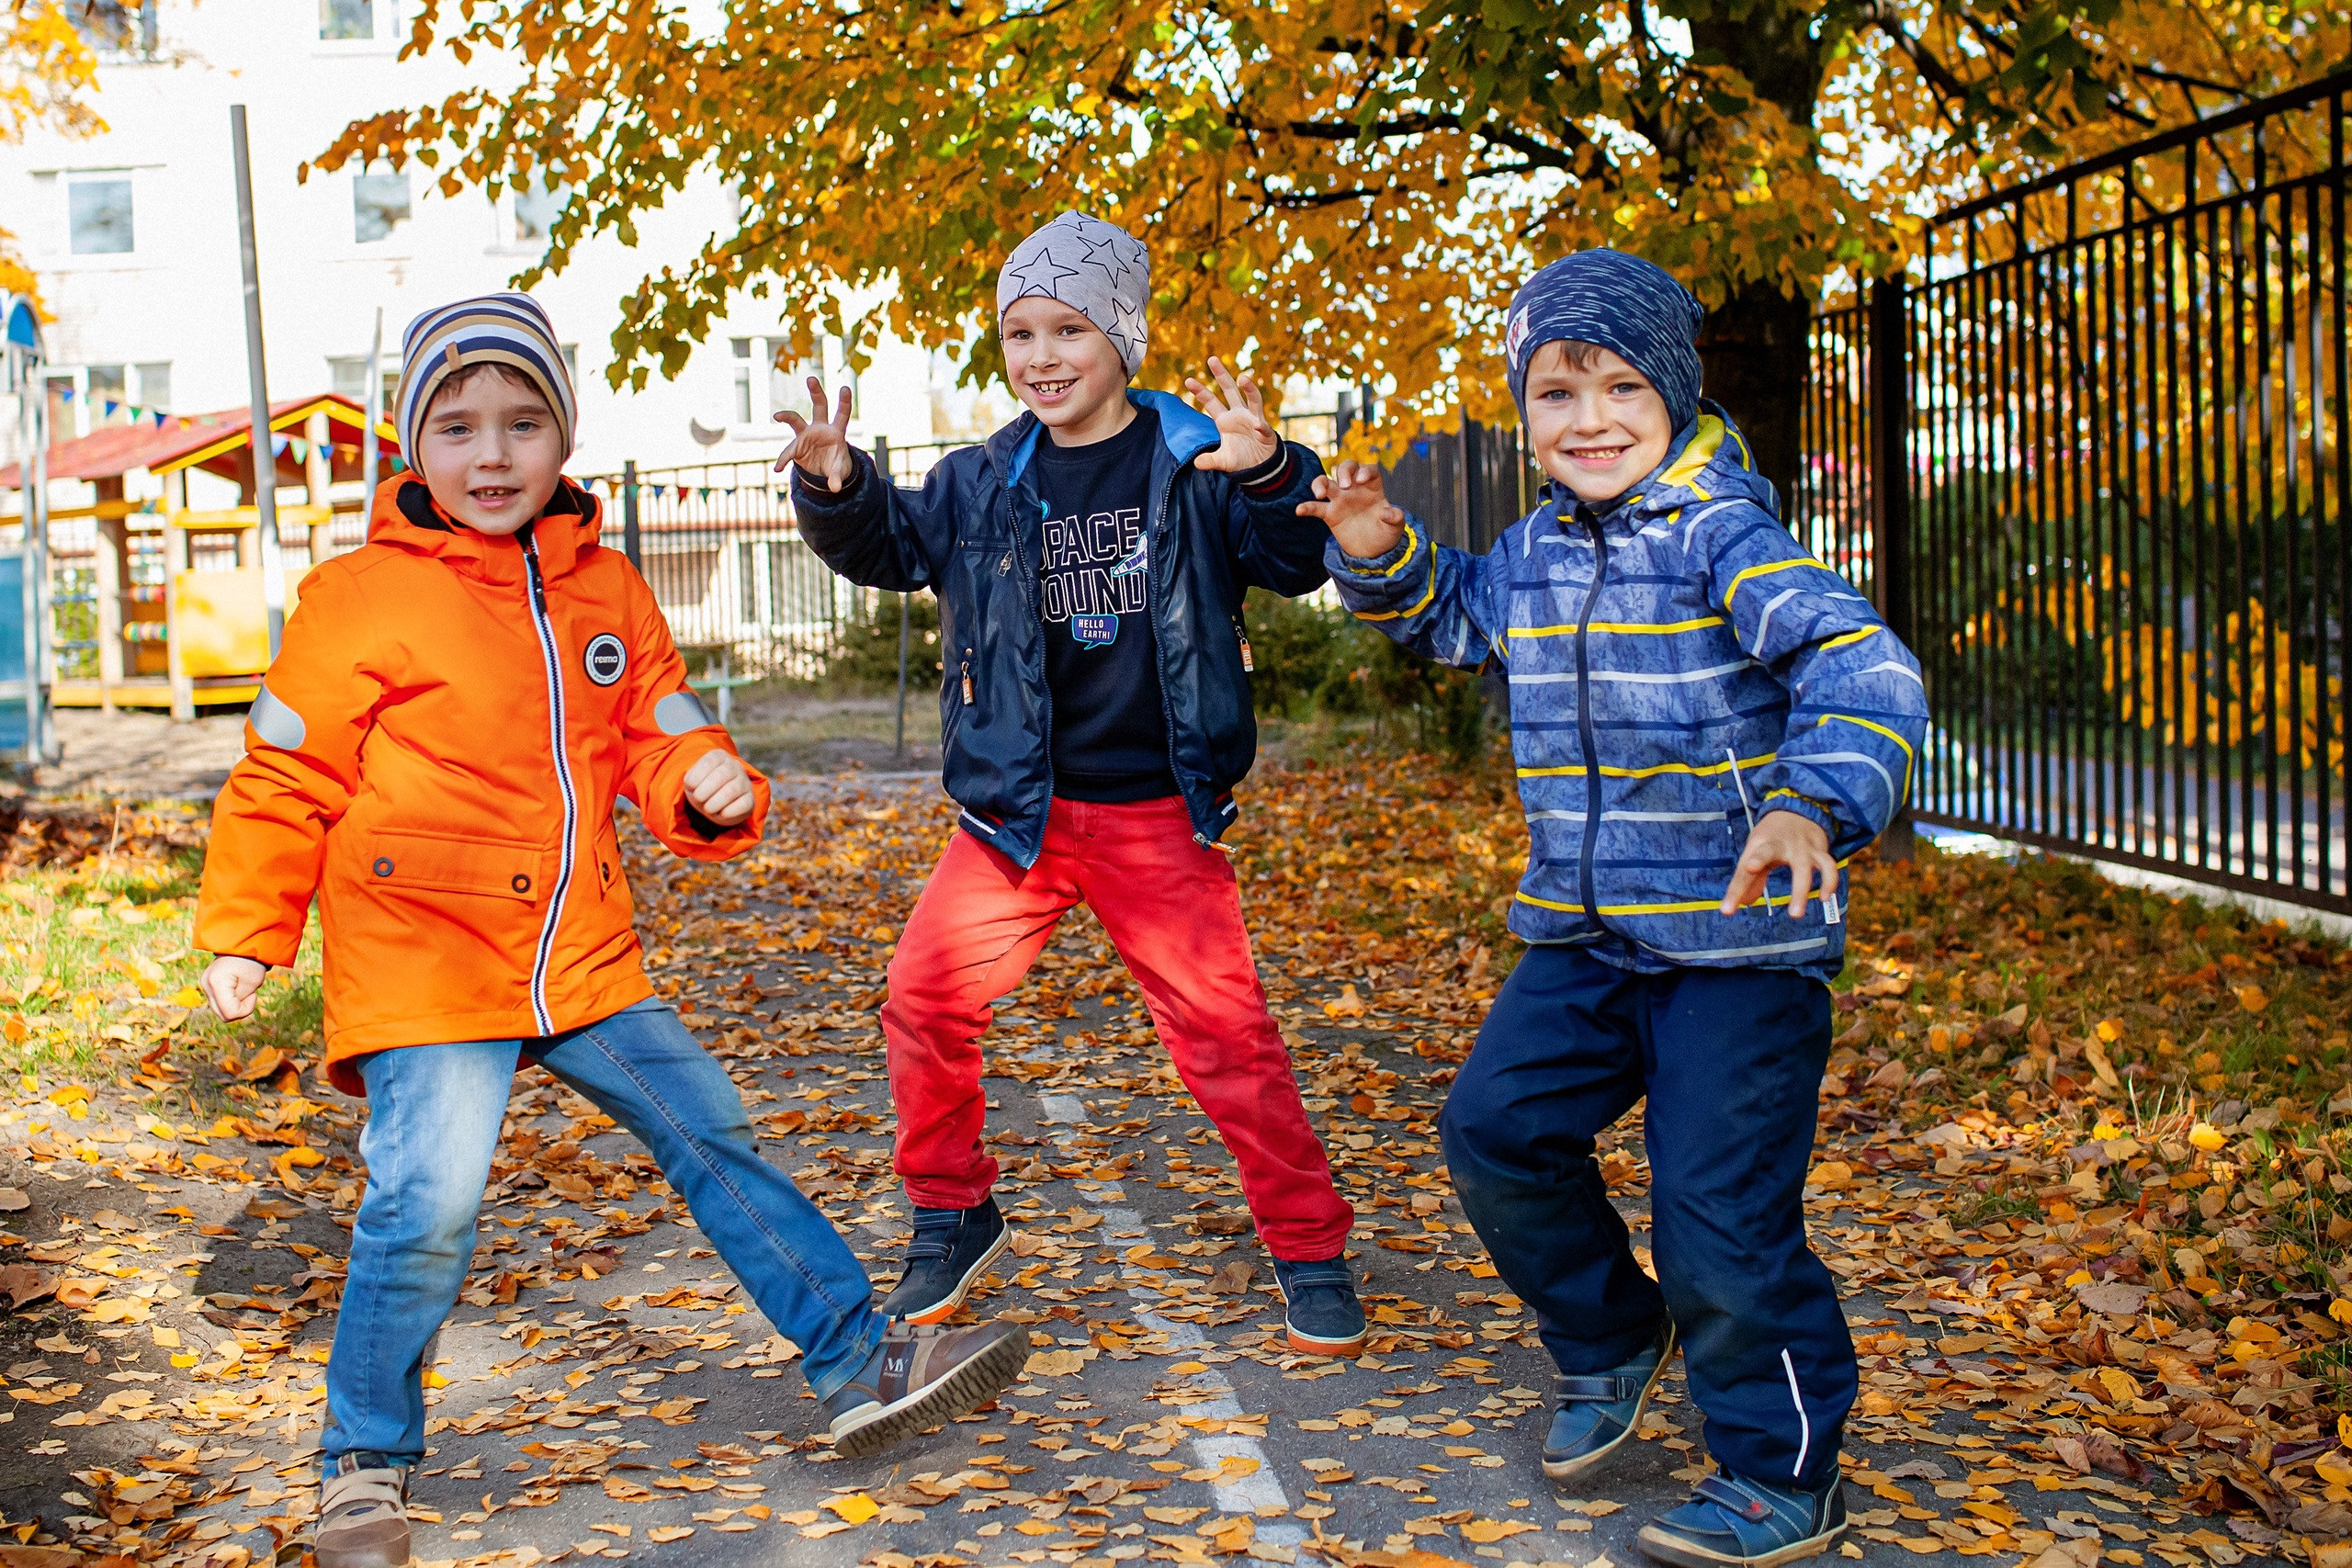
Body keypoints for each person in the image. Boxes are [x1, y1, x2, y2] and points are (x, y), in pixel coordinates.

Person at [193, 294, 1027, 1568]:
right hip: (426, 959)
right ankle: (364, 1464)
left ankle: (862, 1359)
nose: (492, 455)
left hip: (580, 957)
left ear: (561, 436)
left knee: (713, 1131)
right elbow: (284, 774)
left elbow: (656, 720)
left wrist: (706, 775)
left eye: (524, 424)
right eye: (458, 425)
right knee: (425, 1202)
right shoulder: (356, 598)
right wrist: (251, 926)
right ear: (412, 439)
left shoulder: (606, 582)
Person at [1304, 251, 1928, 1568]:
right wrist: (1375, 548)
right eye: (1555, 392)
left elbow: (1860, 662)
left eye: (1621, 386)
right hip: (1586, 935)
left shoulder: (1723, 534)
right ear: (1525, 411)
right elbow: (1458, 614)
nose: (1588, 418)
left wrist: (1812, 801)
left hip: (1740, 948)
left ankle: (1781, 1466)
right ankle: (1613, 1336)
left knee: (1716, 1213)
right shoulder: (1537, 547)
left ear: (1678, 392)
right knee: (1494, 1129)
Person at [778, 211, 1364, 1355]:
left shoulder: (1193, 463)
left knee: (1227, 1041)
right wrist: (839, 485)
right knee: (922, 997)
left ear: (1121, 337)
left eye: (1068, 329)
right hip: (1018, 816)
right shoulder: (982, 477)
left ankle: (1307, 1246)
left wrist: (1272, 475)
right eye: (1019, 333)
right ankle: (953, 1214)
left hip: (1156, 812)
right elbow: (892, 547)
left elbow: (1292, 563)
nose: (1041, 355)